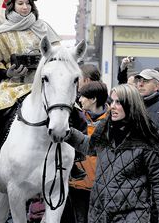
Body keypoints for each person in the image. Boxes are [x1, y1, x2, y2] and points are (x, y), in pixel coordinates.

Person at [0, 0, 61, 178]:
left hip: (41, 84)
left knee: (71, 109)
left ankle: (74, 156)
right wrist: (8, 73)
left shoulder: (44, 28)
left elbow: (57, 54)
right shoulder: (2, 33)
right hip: (12, 85)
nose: (25, 7)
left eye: (28, 3)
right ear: (12, 6)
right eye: (20, 3)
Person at [66, 84, 159, 222]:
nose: (112, 107)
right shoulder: (105, 130)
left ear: (131, 105)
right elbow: (90, 147)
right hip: (100, 213)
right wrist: (67, 132)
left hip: (132, 216)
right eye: (112, 102)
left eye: (119, 102)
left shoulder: (147, 140)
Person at [67, 81, 108, 223]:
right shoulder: (76, 118)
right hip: (77, 186)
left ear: (93, 99)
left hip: (102, 188)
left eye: (83, 96)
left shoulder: (112, 121)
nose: (79, 100)